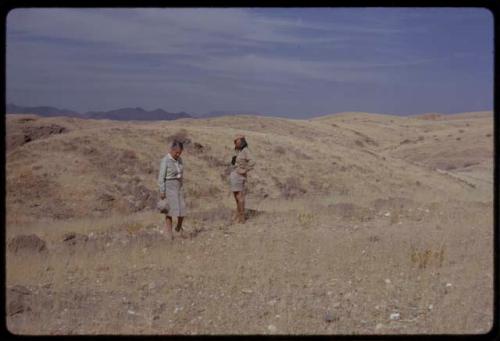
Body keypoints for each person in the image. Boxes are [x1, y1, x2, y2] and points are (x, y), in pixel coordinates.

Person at [158, 140, 186, 240]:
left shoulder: (180, 160)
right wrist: (162, 191)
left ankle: (178, 226)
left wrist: (181, 184)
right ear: (172, 149)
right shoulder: (165, 160)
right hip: (169, 186)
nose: (178, 154)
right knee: (169, 212)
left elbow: (181, 173)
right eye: (176, 152)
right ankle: (169, 235)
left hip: (179, 186)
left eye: (180, 152)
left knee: (182, 209)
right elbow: (161, 177)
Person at [230, 135, 255, 224]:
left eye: (237, 141)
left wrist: (244, 170)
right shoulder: (238, 151)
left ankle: (242, 217)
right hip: (234, 174)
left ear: (242, 142)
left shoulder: (245, 151)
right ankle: (238, 214)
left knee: (240, 196)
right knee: (236, 195)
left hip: (239, 175)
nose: (235, 143)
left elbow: (253, 161)